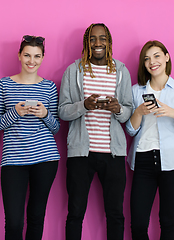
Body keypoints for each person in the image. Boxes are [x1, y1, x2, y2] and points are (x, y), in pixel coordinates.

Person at [58, 23, 133, 240]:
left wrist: (117, 109)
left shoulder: (121, 71)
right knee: (75, 213)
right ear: (86, 43)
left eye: (102, 38)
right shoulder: (73, 71)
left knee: (115, 214)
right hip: (81, 154)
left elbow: (128, 111)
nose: (97, 43)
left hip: (113, 154)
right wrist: (85, 105)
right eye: (92, 39)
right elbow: (62, 111)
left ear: (109, 42)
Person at [126, 40, 174, 240]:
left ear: (166, 57)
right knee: (138, 224)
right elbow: (131, 130)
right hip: (143, 161)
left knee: (167, 221)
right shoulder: (135, 91)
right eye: (147, 58)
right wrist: (139, 111)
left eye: (157, 56)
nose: (152, 62)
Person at [0, 35, 60, 240]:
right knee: (14, 222)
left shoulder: (49, 87)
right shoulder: (4, 85)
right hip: (13, 160)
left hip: (45, 158)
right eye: (27, 55)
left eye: (37, 56)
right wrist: (15, 112)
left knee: (36, 218)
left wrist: (45, 115)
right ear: (19, 56)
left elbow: (56, 128)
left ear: (43, 58)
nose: (32, 61)